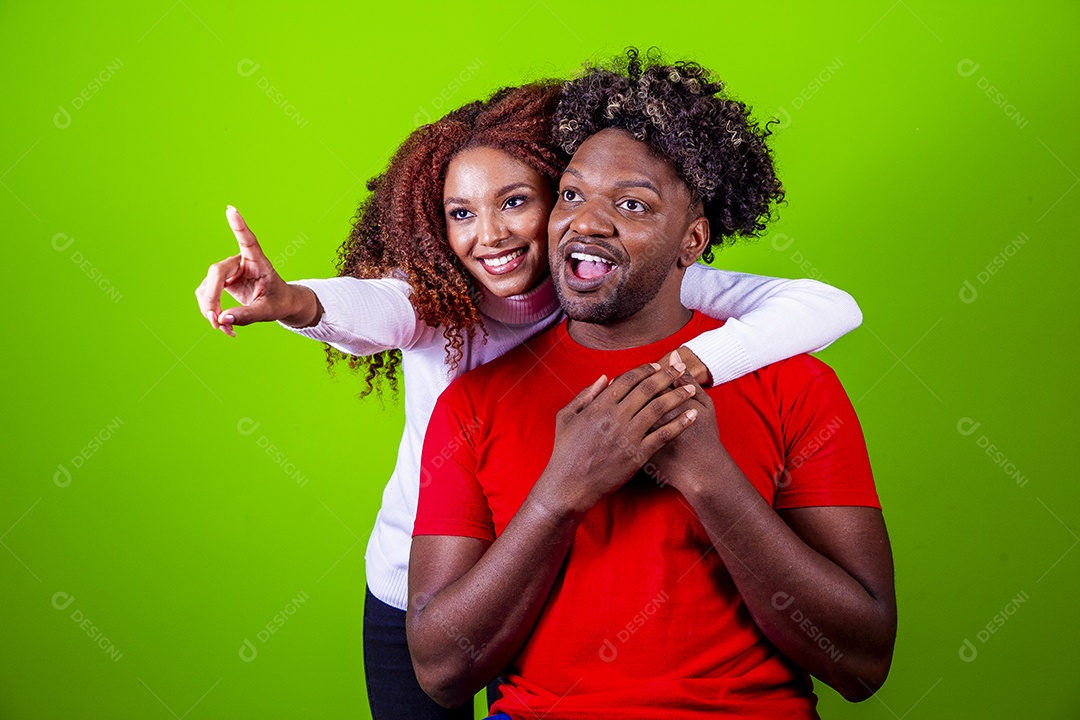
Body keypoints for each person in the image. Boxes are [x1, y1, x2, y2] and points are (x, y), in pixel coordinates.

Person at [194, 79, 865, 719]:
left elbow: (820, 304)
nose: (491, 234)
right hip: (416, 582)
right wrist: (292, 302)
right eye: (462, 213)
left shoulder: (640, 290)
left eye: (516, 202)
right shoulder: (441, 308)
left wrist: (684, 377)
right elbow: (373, 304)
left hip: (522, 590)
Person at [408, 49, 896, 719]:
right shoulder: (475, 401)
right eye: (572, 195)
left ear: (691, 240)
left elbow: (863, 662)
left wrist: (710, 478)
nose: (586, 222)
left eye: (632, 205)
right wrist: (561, 492)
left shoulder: (796, 387)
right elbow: (439, 670)